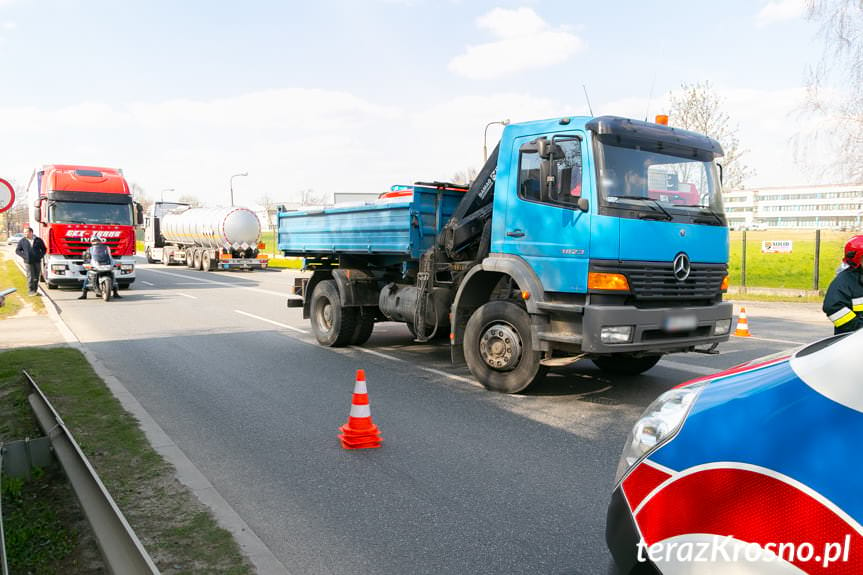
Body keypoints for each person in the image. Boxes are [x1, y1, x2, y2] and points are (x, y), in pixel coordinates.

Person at [823, 235, 863, 334]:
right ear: (857, 259)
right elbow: (833, 307)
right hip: (851, 341)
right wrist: (859, 329)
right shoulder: (844, 281)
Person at [14, 227, 47, 296]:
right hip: (28, 262)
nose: (25, 233)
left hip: (37, 261)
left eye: (26, 232)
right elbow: (17, 250)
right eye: (24, 232)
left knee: (36, 277)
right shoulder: (22, 241)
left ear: (31, 232)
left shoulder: (38, 240)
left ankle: (35, 291)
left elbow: (44, 249)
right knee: (30, 277)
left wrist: (40, 256)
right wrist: (24, 256)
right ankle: (30, 291)